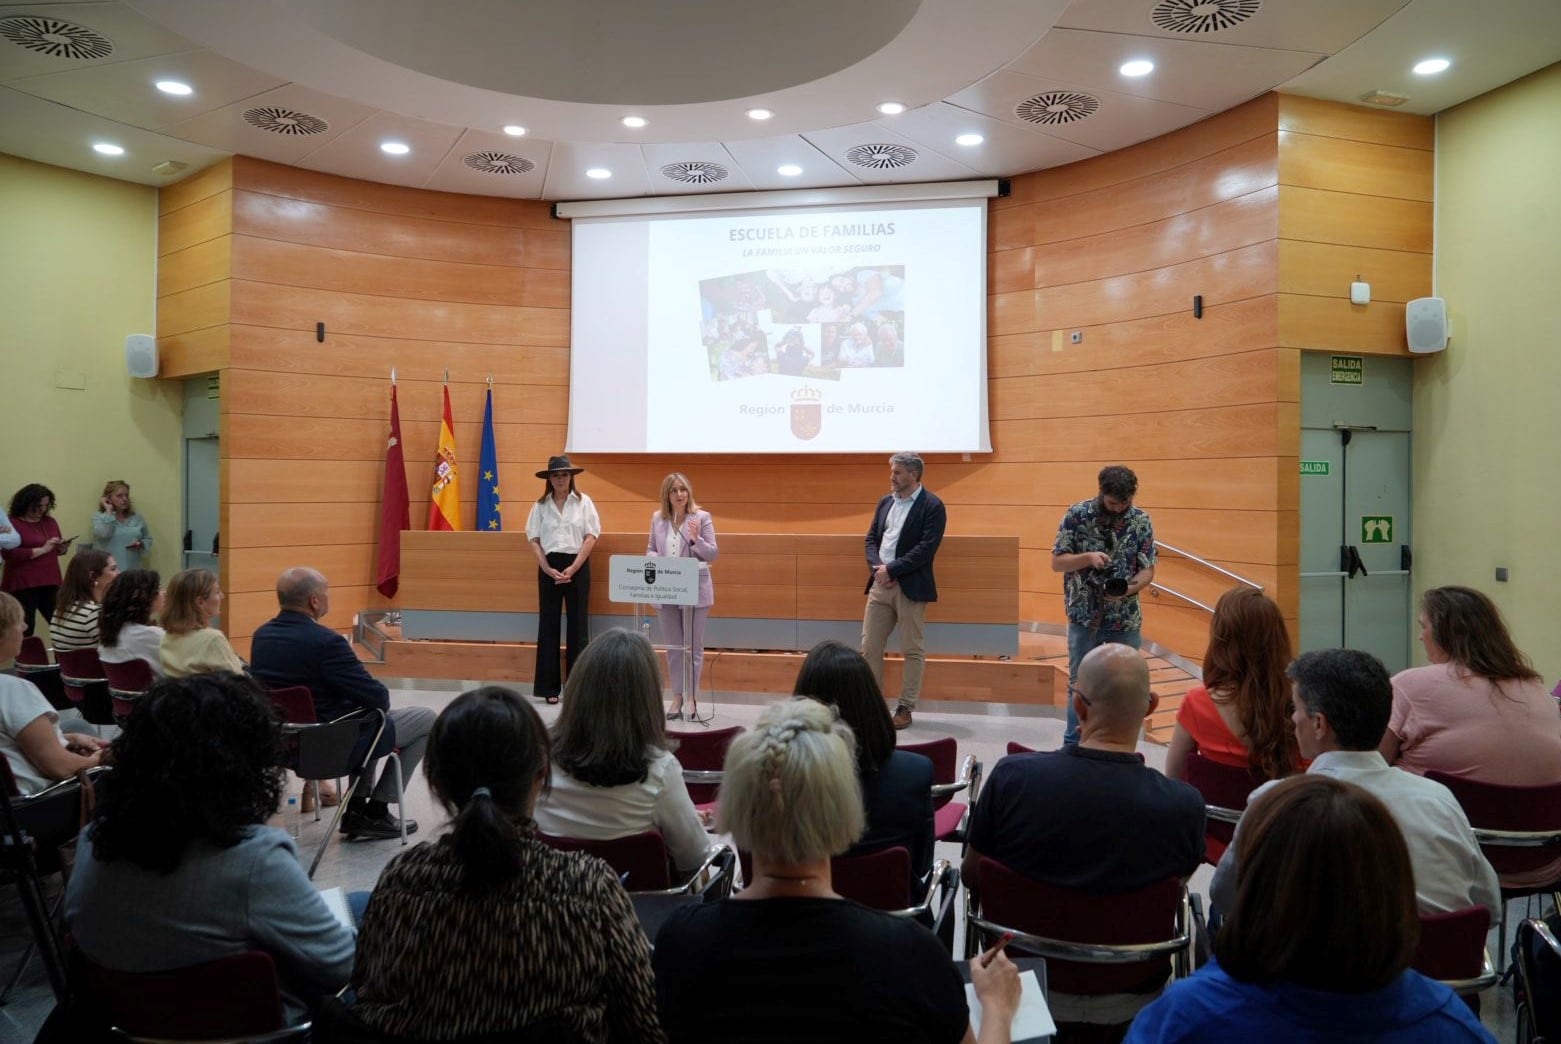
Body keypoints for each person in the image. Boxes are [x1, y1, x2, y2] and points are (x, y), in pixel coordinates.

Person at [653, 698, 1021, 1044]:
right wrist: (998, 1008)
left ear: (735, 805)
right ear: (844, 810)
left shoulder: (679, 944)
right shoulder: (912, 956)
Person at [346, 686, 664, 1042]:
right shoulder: (590, 887)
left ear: (435, 783)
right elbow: (643, 1027)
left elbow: (365, 999)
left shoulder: (398, 880)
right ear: (542, 775)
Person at [64, 672, 355, 1024]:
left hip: (127, 1021)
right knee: (365, 916)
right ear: (246, 764)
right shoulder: (254, 859)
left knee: (360, 904)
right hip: (253, 1026)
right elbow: (342, 966)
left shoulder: (93, 841)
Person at [1126, 776, 1496, 1044]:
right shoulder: (1451, 1025)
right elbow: (1490, 905)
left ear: (1257, 884)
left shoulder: (1183, 1019)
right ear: (1392, 889)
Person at [964, 643, 1204, 1034]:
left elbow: (973, 877)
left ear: (1079, 707)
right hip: (1134, 994)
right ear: (1151, 706)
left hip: (1020, 984)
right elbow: (1172, 889)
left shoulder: (1011, 780)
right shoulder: (1185, 807)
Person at [1210, 648, 1500, 917]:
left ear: (1319, 724)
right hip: (1440, 970)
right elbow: (1489, 907)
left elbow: (1225, 897)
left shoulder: (1272, 803)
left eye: (1294, 708)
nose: (1292, 719)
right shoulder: (1440, 800)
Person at [1382, 585, 1561, 887]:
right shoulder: (1538, 691)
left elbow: (1370, 764)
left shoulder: (1410, 686)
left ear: (1444, 632)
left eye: (1423, 627)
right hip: (1543, 861)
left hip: (1447, 863)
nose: (1420, 636)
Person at [250, 567, 430, 841]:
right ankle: (376, 809)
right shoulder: (326, 642)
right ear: (314, 600)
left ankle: (358, 809)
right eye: (326, 592)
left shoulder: (261, 636)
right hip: (329, 744)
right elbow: (378, 697)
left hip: (281, 743)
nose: (327, 598)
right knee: (424, 719)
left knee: (367, 715)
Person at [533, 629, 711, 877]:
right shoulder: (661, 771)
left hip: (554, 908)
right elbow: (695, 858)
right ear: (648, 699)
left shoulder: (539, 765)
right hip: (639, 912)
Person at [794, 639, 935, 885]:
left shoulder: (773, 781)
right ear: (872, 702)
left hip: (800, 918)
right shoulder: (915, 774)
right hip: (891, 918)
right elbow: (922, 865)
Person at [1052, 465, 1156, 746]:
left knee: (1126, 684)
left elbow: (1148, 570)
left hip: (1125, 619)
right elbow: (1057, 562)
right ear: (1102, 493)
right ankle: (1073, 744)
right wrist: (1087, 558)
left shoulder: (1141, 521)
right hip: (1085, 616)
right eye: (1113, 503)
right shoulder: (1077, 515)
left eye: (1125, 503)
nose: (1119, 508)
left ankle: (1121, 744)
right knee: (1081, 683)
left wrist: (1128, 589)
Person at [1164, 587, 1303, 782]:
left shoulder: (1197, 703)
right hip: (1284, 811)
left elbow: (1173, 779)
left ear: (1221, 639)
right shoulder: (1304, 704)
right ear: (1277, 638)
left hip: (1213, 812)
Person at [861, 451, 947, 730]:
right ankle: (872, 705)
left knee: (912, 649)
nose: (892, 477)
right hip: (879, 584)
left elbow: (926, 548)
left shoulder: (932, 505)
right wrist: (878, 568)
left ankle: (905, 708)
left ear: (914, 474)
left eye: (897, 472)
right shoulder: (885, 502)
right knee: (869, 647)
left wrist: (893, 570)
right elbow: (872, 538)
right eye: (892, 471)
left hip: (909, 586)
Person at [0, 591, 107, 794]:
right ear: (2, 634)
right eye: (19, 622)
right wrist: (99, 759)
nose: (24, 628)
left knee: (77, 726)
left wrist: (68, 739)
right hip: (41, 803)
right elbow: (60, 768)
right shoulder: (12, 690)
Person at [524, 454, 600, 704]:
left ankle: (578, 689)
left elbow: (591, 536)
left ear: (571, 477)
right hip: (549, 568)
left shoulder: (583, 502)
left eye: (564, 474)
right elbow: (534, 539)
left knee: (578, 627)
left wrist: (575, 566)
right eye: (556, 475)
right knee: (548, 627)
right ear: (549, 479)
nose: (560, 479)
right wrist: (546, 567)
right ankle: (549, 688)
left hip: (577, 566)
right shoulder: (540, 506)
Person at [646, 472, 718, 720]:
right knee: (674, 647)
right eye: (674, 490)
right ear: (667, 494)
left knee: (693, 647)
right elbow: (651, 549)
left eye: (683, 490)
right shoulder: (658, 518)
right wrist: (658, 561)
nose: (679, 494)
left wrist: (696, 539)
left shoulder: (702, 517)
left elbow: (712, 554)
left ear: (689, 492)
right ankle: (677, 695)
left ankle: (691, 697)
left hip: (695, 591)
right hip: (667, 589)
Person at [1, 483, 72, 636]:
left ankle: (64, 660)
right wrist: (42, 550)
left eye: (46, 505)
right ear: (25, 503)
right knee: (26, 629)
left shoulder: (49, 522)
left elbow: (54, 547)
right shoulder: (11, 523)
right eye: (38, 506)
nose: (42, 510)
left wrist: (62, 548)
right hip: (23, 584)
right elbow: (9, 554)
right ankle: (25, 660)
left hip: (51, 581)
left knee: (62, 627)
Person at [158, 567, 246, 677]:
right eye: (217, 592)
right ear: (200, 602)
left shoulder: (166, 638)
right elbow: (238, 683)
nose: (222, 597)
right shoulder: (212, 639)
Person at [98, 568, 166, 679]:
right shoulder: (152, 635)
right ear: (144, 598)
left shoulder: (109, 631)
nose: (164, 592)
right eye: (159, 588)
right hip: (156, 694)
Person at [47, 548, 118, 652]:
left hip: (70, 668)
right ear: (92, 576)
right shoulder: (93, 614)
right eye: (113, 569)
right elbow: (119, 654)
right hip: (95, 668)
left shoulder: (62, 608)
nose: (119, 573)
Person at [91, 479, 152, 571]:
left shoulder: (136, 518)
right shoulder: (99, 517)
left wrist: (141, 543)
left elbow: (147, 538)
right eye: (119, 496)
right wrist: (108, 510)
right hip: (108, 572)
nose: (125, 499)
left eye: (126, 495)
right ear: (108, 498)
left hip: (132, 571)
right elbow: (104, 534)